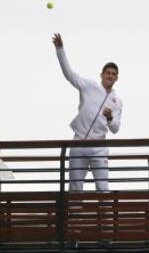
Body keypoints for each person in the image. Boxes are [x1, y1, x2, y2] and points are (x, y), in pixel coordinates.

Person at [52, 33, 123, 192]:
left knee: (103, 187)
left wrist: (110, 118)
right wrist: (60, 50)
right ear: (102, 75)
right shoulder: (89, 86)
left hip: (99, 145)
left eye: (113, 74)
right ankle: (75, 217)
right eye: (108, 73)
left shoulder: (117, 102)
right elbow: (69, 74)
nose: (110, 76)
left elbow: (116, 129)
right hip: (79, 141)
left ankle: (105, 217)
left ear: (116, 78)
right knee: (75, 187)